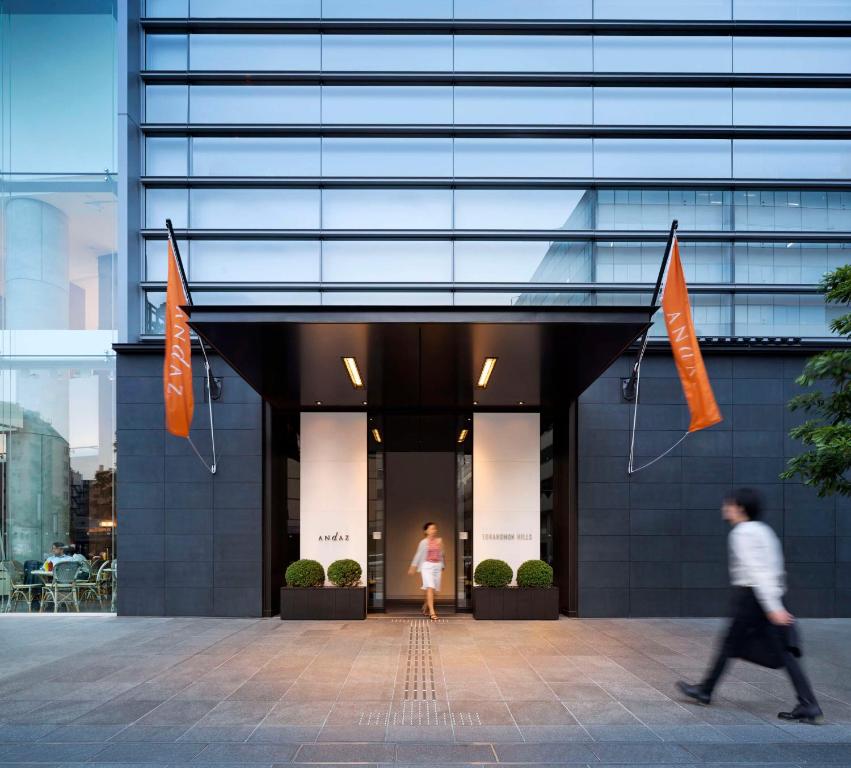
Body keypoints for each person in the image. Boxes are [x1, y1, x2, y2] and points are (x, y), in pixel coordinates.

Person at [677, 488, 823, 723]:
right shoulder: (764, 531)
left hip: (752, 598)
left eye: (729, 504)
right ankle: (809, 704)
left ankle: (705, 690)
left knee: (731, 645)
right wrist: (777, 600)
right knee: (781, 652)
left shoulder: (742, 533)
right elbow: (775, 569)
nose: (725, 508)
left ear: (741, 508)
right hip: (767, 596)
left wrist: (772, 607)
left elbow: (757, 571)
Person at [408, 522, 444, 621]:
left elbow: (441, 554)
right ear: (426, 531)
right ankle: (432, 612)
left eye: (435, 528)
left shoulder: (439, 541)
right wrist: (413, 566)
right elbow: (418, 555)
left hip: (437, 566)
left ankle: (425, 605)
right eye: (431, 529)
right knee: (430, 587)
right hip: (427, 566)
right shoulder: (423, 542)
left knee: (434, 590)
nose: (434, 530)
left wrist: (442, 565)